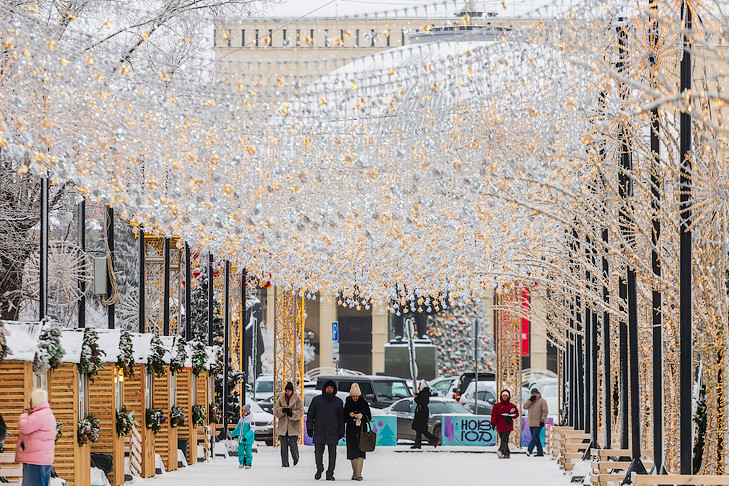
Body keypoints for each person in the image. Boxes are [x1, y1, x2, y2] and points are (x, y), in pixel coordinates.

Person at [14, 389, 56, 486]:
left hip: (34, 461)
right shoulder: (47, 413)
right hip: (43, 460)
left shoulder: (39, 415)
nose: (29, 403)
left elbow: (24, 426)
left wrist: (23, 415)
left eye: (31, 401)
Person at [307, 380, 344, 480]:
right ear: (324, 388)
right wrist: (309, 428)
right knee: (318, 453)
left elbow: (341, 419)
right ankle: (319, 468)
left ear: (334, 389)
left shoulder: (338, 402)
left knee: (332, 454)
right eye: (328, 387)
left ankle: (330, 473)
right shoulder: (316, 400)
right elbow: (310, 415)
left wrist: (341, 431)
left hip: (333, 431)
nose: (329, 389)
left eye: (331, 388)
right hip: (319, 431)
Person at [343, 384, 371, 481]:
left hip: (361, 431)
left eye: (356, 396)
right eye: (353, 396)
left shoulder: (364, 403)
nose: (355, 398)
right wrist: (349, 415)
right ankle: (355, 473)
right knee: (352, 453)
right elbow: (344, 418)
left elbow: (369, 417)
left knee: (360, 451)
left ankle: (358, 474)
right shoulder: (347, 403)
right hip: (351, 431)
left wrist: (361, 416)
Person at [273, 381, 304, 467]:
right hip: (283, 427)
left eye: (289, 390)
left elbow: (301, 412)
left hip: (293, 426)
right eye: (286, 390)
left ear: (292, 391)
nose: (287, 392)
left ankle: (295, 457)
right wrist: (282, 410)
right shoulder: (281, 399)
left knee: (293, 444)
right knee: (283, 446)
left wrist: (292, 413)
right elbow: (275, 411)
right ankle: (285, 463)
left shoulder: (298, 400)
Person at [490, 389, 519, 458]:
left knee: (504, 439)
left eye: (506, 395)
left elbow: (516, 414)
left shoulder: (511, 406)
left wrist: (511, 416)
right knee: (502, 438)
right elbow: (494, 415)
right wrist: (493, 423)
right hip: (500, 425)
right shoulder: (497, 406)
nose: (505, 397)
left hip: (507, 425)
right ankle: (507, 453)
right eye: (503, 395)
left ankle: (501, 450)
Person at [411, 382, 438, 449]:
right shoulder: (423, 393)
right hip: (421, 413)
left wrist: (416, 398)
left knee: (421, 429)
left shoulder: (424, 393)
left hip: (422, 413)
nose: (418, 387)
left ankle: (433, 440)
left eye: (420, 386)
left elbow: (421, 402)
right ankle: (419, 444)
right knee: (420, 430)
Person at [523, 387, 548, 456]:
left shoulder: (542, 401)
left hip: (538, 422)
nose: (534, 394)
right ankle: (540, 452)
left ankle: (529, 450)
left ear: (538, 393)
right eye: (532, 393)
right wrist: (530, 401)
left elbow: (545, 411)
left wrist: (542, 420)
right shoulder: (530, 401)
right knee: (536, 438)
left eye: (535, 393)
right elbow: (524, 407)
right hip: (531, 423)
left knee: (534, 437)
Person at [231, 405, 255, 469]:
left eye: (245, 411)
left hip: (248, 439)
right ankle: (241, 462)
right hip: (241, 439)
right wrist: (232, 435)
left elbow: (252, 429)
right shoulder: (241, 419)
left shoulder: (251, 419)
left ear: (248, 411)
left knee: (248, 452)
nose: (243, 412)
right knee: (240, 450)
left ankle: (248, 463)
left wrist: (246, 437)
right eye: (242, 411)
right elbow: (237, 428)